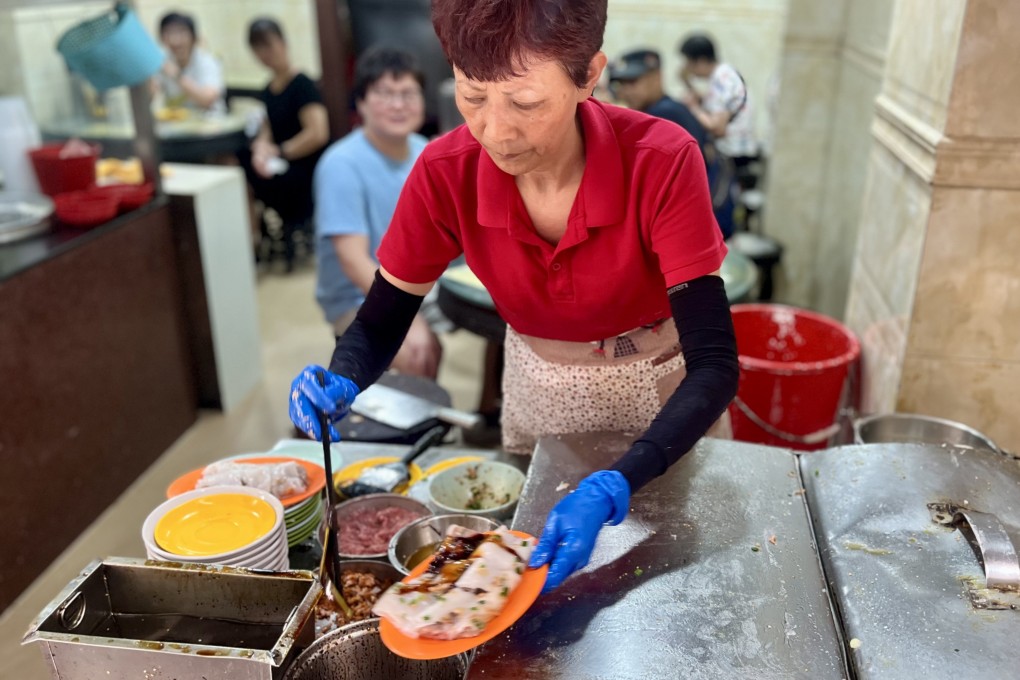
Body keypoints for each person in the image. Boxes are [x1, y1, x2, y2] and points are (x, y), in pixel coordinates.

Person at [289, 0, 738, 593]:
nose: (494, 131)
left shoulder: (660, 159)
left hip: (662, 401)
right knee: (542, 593)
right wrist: (344, 373)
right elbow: (380, 320)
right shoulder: (446, 171)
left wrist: (620, 480)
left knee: (672, 577)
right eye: (471, 97)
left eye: (525, 102)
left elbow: (714, 363)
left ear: (589, 74)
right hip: (539, 390)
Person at [312, 47, 442, 379]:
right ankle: (414, 427)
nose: (399, 105)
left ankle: (486, 414)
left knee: (514, 323)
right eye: (385, 94)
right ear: (361, 102)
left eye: (408, 94)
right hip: (360, 295)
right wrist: (403, 317)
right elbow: (353, 261)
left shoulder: (427, 153)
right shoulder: (341, 164)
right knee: (416, 350)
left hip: (420, 285)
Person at [239, 18, 329, 266]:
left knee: (270, 178)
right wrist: (262, 148)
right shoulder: (268, 89)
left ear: (283, 43)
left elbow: (317, 133)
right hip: (282, 161)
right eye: (257, 48)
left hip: (305, 166)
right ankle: (252, 242)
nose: (265, 54)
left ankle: (271, 237)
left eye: (268, 45)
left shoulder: (302, 84)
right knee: (244, 163)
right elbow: (267, 129)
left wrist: (280, 152)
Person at [678, 33, 757, 166]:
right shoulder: (723, 74)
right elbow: (713, 106)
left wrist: (692, 107)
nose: (687, 68)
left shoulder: (722, 79)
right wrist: (686, 82)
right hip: (733, 153)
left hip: (733, 156)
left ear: (701, 61)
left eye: (689, 63)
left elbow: (717, 127)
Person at [608, 48, 706, 152]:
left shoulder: (663, 113)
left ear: (656, 78)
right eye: (621, 84)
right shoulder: (669, 107)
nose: (625, 91)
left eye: (632, 82)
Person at [154, 12, 225, 114]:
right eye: (168, 33)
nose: (175, 40)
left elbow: (207, 100)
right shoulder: (163, 60)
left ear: (193, 37)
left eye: (181, 32)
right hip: (177, 125)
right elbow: (152, 95)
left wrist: (176, 75)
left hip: (210, 123)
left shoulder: (207, 61)